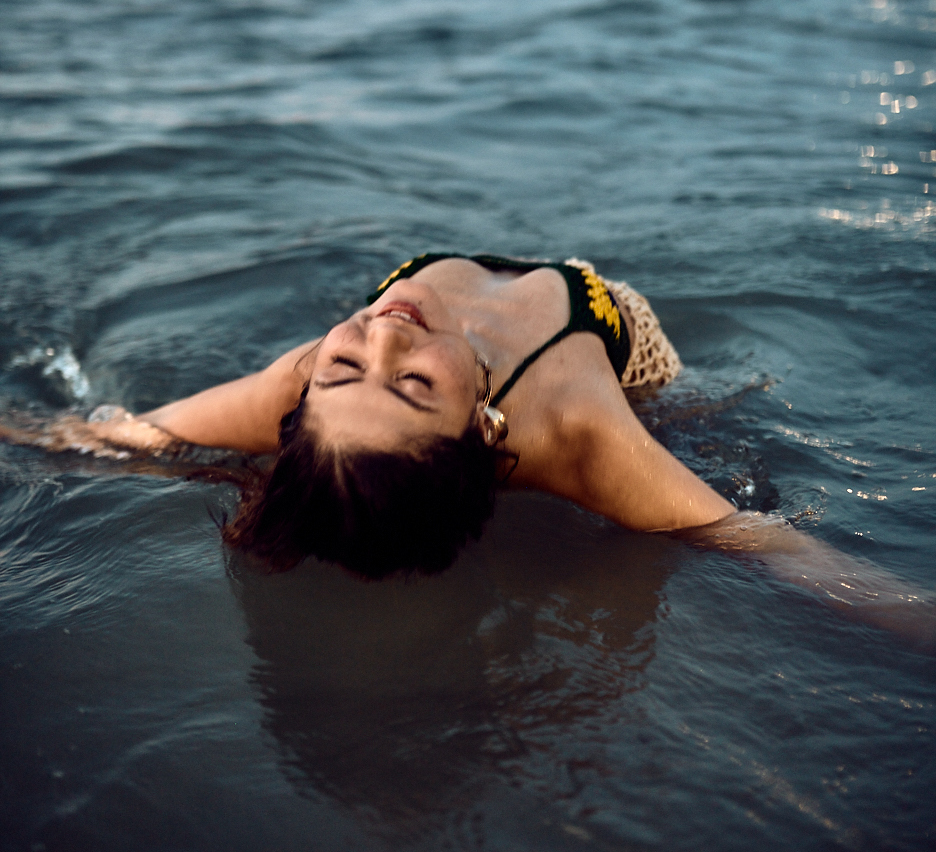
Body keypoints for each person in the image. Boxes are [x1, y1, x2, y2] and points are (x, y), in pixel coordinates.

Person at [3, 253, 934, 647]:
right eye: (411, 386)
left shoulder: (309, 382)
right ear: (480, 430)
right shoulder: (586, 438)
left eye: (347, 368)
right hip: (633, 353)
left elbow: (126, 431)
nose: (382, 336)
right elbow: (769, 545)